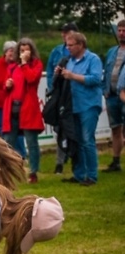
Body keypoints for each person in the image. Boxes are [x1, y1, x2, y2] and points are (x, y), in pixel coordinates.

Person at [59, 32, 103, 186]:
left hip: (89, 105)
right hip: (74, 106)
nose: (68, 48)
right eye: (67, 45)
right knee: (76, 141)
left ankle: (92, 175)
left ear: (80, 45)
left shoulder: (93, 59)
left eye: (71, 45)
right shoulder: (69, 61)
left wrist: (73, 76)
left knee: (87, 140)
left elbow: (96, 79)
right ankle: (79, 174)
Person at [2, 38, 45, 184]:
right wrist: (7, 85)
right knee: (8, 142)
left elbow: (32, 79)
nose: (24, 53)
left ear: (32, 51)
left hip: (28, 109)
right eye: (21, 50)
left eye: (27, 50)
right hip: (13, 109)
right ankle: (8, 171)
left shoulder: (36, 65)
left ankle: (33, 172)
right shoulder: (12, 66)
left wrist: (25, 64)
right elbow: (5, 88)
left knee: (31, 142)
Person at [46, 22, 79, 174]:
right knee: (59, 129)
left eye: (67, 32)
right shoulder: (56, 51)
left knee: (73, 130)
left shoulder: (82, 53)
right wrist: (53, 88)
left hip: (73, 97)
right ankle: (59, 162)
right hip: (59, 96)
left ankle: (74, 160)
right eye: (63, 32)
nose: (63, 35)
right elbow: (49, 71)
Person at [0, 41, 27, 158]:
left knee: (18, 130)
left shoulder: (20, 66)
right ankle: (5, 155)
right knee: (2, 130)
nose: (12, 54)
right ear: (5, 52)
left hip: (15, 105)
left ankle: (21, 155)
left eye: (15, 51)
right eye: (10, 51)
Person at [102, 19, 125, 173]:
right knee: (115, 129)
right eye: (120, 30)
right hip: (111, 96)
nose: (121, 34)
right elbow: (106, 72)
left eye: (124, 31)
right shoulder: (112, 52)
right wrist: (104, 90)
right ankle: (116, 161)